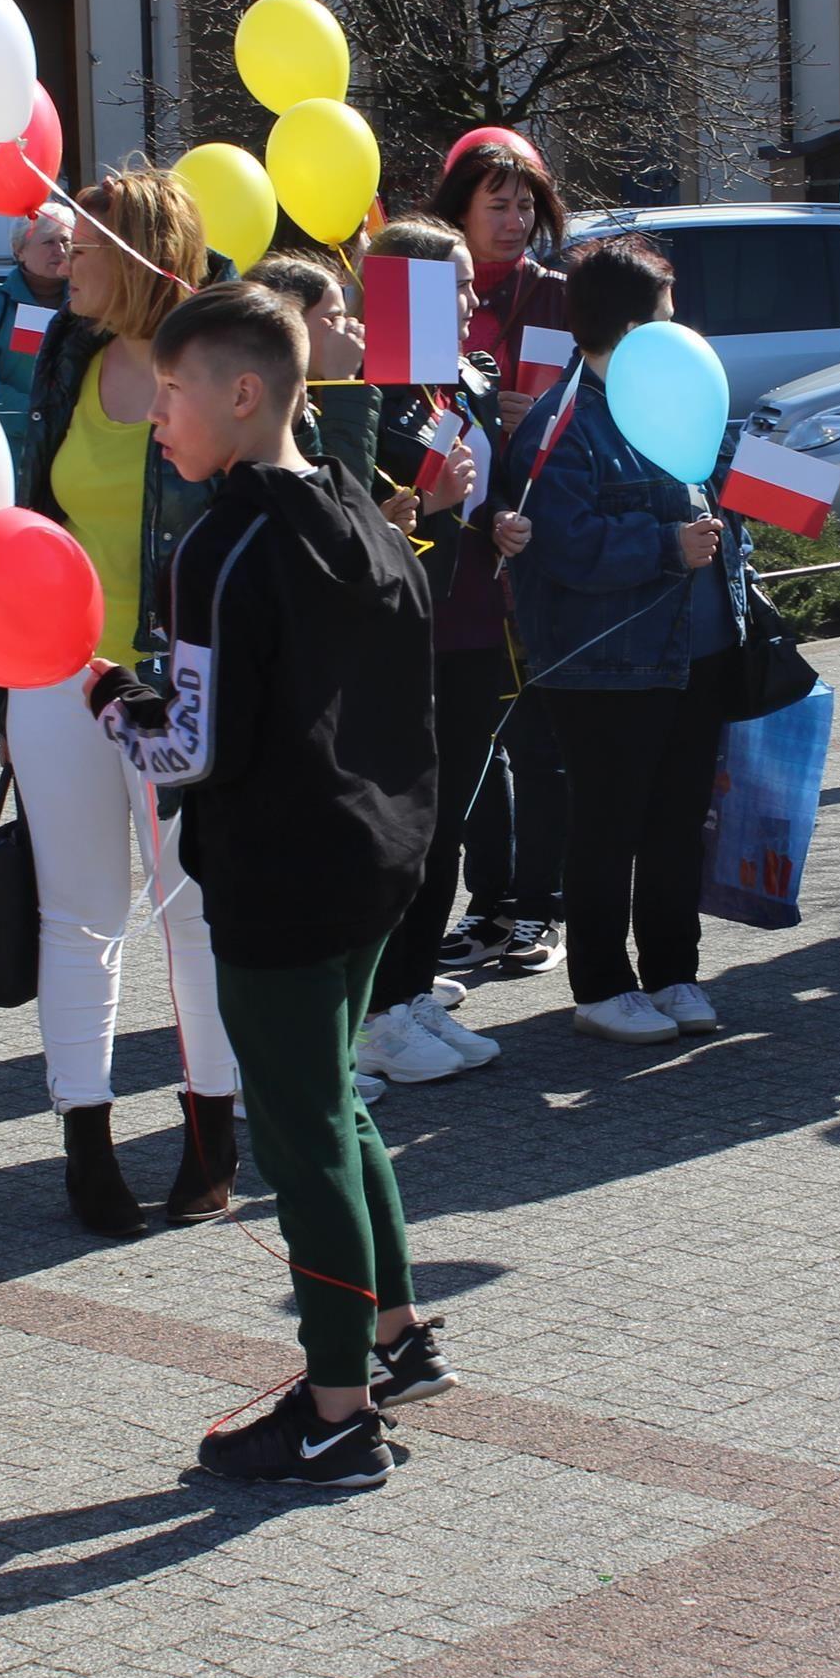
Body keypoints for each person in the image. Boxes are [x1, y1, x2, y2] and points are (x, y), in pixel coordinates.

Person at [88, 281, 451, 1486]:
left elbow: (186, 747)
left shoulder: (220, 542)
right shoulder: (360, 513)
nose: (155, 418)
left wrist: (103, 701)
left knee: (300, 1138)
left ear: (243, 395)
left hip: (283, 877)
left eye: (172, 394)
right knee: (332, 1107)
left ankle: (337, 1411)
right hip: (377, 856)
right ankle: (392, 1337)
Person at [10, 163, 243, 1236]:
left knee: (190, 913)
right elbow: (29, 508)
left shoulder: (214, 367)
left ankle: (210, 1139)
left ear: (143, 255)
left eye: (87, 246)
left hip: (178, 676)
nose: (65, 260)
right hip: (57, 672)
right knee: (79, 919)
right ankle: (84, 1147)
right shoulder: (67, 352)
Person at [501, 235, 739, 1044]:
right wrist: (667, 547)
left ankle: (675, 972)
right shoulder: (563, 422)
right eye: (667, 316)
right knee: (608, 825)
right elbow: (564, 543)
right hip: (603, 663)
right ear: (632, 326)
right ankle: (602, 983)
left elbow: (709, 486)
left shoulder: (664, 395)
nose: (680, 331)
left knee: (677, 822)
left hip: (691, 655)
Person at [355, 217, 506, 1078]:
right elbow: (370, 527)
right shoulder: (367, 392)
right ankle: (377, 1012)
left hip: (474, 627)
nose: (472, 295)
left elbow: (475, 483)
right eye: (453, 283)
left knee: (446, 826)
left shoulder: (451, 385)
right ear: (404, 290)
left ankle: (412, 992)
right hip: (411, 641)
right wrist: (436, 508)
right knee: (408, 832)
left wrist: (495, 516)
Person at [429, 139, 575, 981]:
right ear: (459, 210)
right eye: (499, 204)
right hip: (458, 545)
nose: (517, 221)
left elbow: (598, 399)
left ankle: (539, 906)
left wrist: (538, 417)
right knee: (469, 736)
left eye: (527, 206)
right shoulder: (425, 297)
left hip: (542, 538)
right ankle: (486, 904)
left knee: (537, 735)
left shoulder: (560, 297)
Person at [243, 250, 377, 482]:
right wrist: (343, 382)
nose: (347, 328)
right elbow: (337, 495)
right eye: (334, 319)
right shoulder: (250, 407)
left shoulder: (306, 400)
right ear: (289, 325)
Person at [0, 199, 74, 457]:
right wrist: (39, 415)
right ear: (19, 250)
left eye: (66, 241)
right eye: (48, 242)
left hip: (78, 447)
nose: (59, 250)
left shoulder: (92, 304)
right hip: (16, 450)